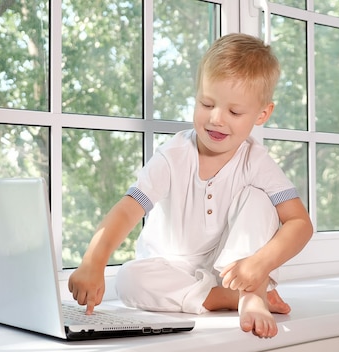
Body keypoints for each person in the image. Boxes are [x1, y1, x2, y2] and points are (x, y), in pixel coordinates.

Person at [67, 33, 314, 339]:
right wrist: (94, 260)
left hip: (237, 269)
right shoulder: (173, 156)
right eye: (206, 103)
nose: (216, 119)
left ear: (262, 114)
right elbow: (129, 209)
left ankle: (252, 293)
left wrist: (259, 263)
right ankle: (228, 299)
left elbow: (300, 222)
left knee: (259, 198)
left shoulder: (256, 161)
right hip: (173, 269)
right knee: (128, 279)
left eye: (234, 112)